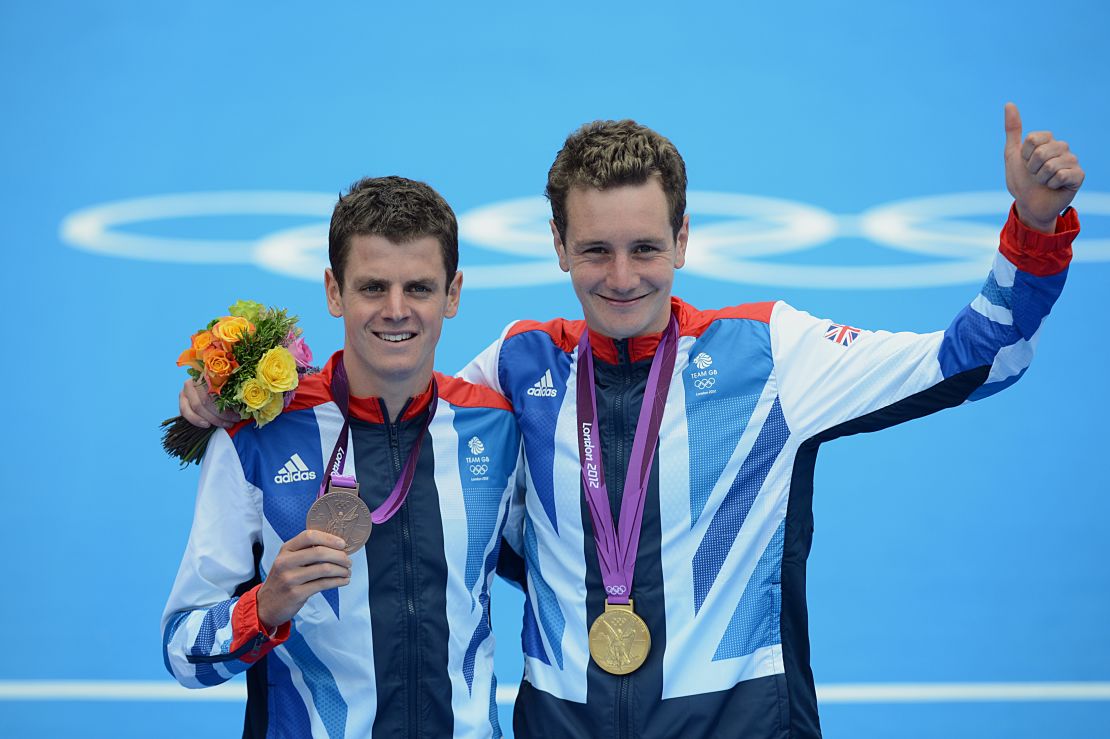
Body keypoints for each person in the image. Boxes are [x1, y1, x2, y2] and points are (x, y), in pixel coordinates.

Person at [179, 105, 1084, 738]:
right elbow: (398, 406)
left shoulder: (772, 355)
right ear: (559, 246)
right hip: (557, 726)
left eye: (647, 248)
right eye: (596, 250)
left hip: (738, 724)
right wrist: (243, 401)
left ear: (683, 242)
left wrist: (1035, 229)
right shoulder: (520, 370)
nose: (622, 276)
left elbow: (980, 357)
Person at [163, 176, 521, 738]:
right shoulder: (258, 437)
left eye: (420, 288)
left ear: (453, 294)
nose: (396, 311)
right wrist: (265, 606)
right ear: (334, 291)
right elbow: (182, 652)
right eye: (373, 287)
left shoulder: (496, 428)